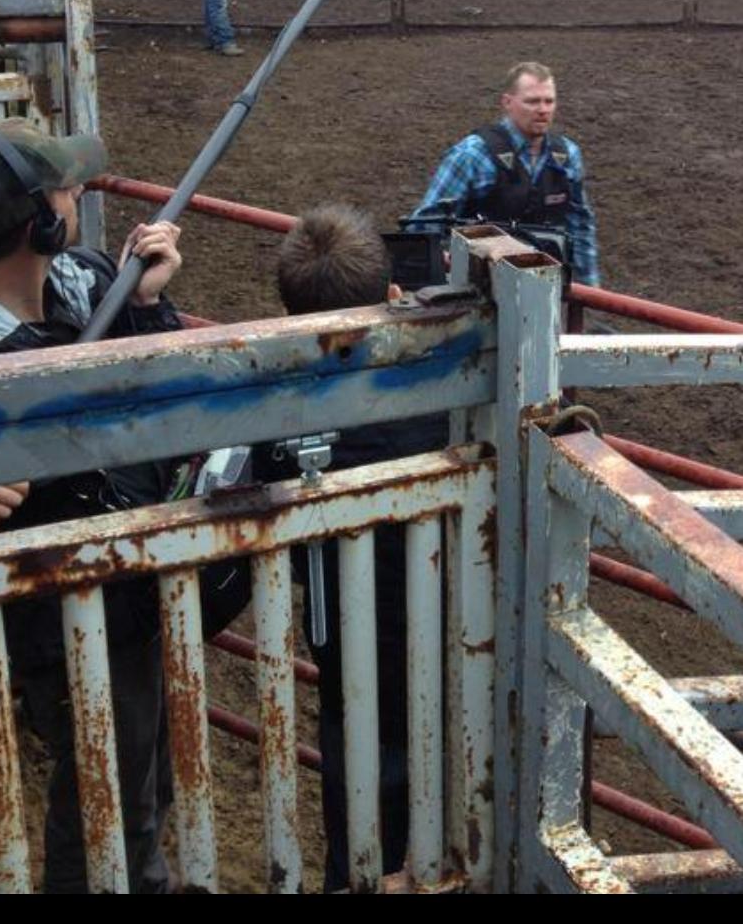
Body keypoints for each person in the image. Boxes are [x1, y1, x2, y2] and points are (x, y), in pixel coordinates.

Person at [0, 116, 184, 894]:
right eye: (68, 189)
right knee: (103, 792)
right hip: (49, 601)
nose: (79, 196)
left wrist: (143, 305)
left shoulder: (86, 280)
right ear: (40, 220)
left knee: (141, 772)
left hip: (122, 577)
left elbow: (164, 405)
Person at [252, 203, 448, 892]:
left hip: (350, 665)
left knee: (361, 829)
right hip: (453, 650)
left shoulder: (282, 406)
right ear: (393, 297)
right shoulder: (446, 387)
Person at [410, 60, 600, 286]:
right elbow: (423, 227)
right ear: (507, 102)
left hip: (545, 286)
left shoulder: (567, 155)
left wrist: (590, 291)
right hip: (478, 288)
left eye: (549, 101)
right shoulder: (473, 155)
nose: (543, 110)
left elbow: (580, 227)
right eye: (532, 101)